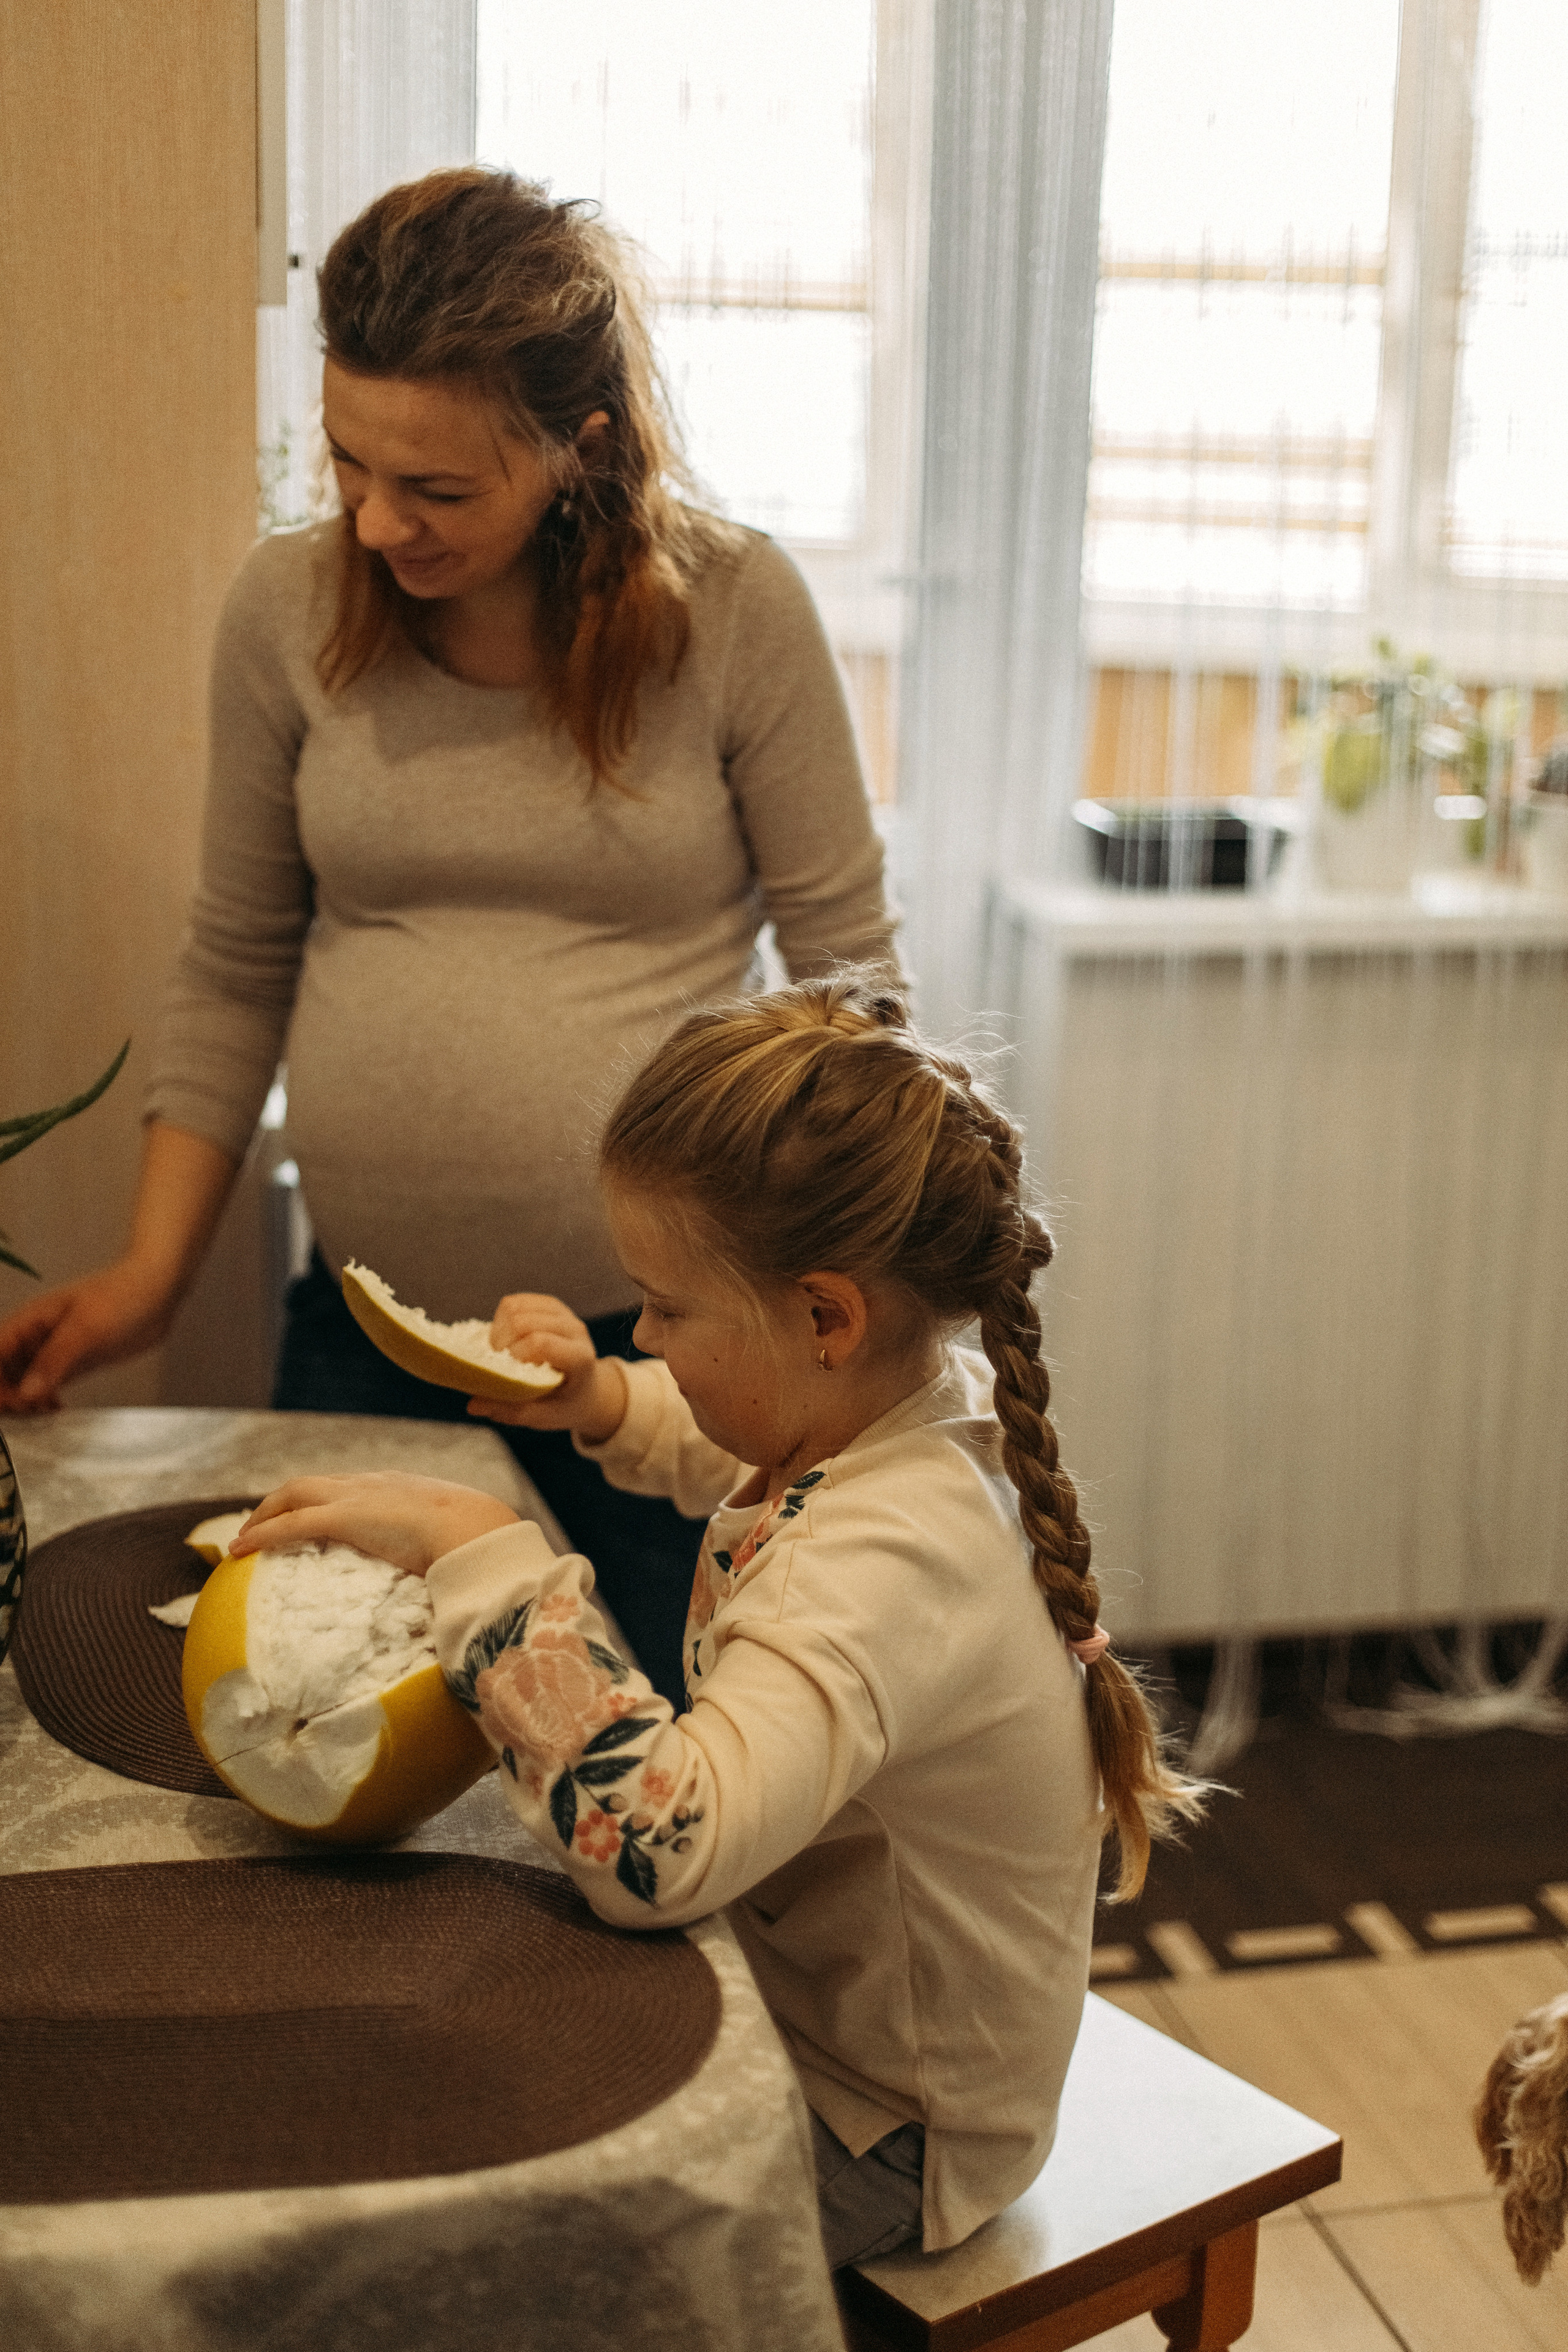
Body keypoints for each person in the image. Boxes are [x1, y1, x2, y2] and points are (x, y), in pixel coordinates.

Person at [0, 168, 899, 1710]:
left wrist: (829, 1329)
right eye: (348, 462)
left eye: (435, 488)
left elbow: (850, 993)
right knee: (329, 1732)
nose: (373, 519)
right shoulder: (286, 608)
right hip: (370, 1331)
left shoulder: (737, 610)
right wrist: (151, 1276)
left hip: (678, 1367)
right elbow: (236, 961)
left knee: (660, 1776)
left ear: (578, 448)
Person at [230, 973, 1205, 2270]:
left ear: (824, 1316)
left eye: (667, 1308)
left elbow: (658, 1856)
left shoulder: (883, 1562)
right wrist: (602, 1398)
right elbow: (751, 1451)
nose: (643, 1329)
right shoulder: (901, 1407)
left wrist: (485, 1561)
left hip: (885, 2130)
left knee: (455, 2230)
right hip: (836, 2028)